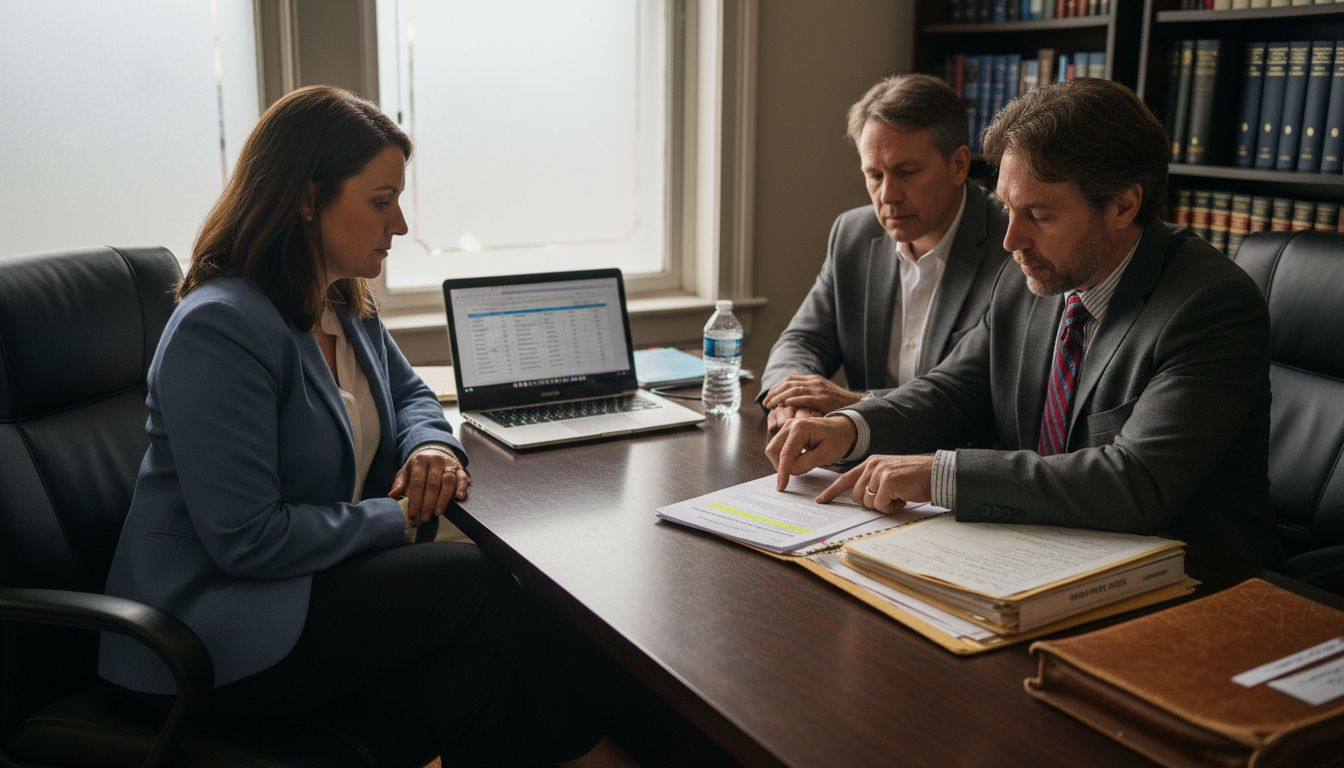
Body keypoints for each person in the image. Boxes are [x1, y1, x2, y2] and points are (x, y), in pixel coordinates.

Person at [98, 85, 620, 765]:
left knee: (481, 684)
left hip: (307, 592)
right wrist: (395, 518)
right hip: (210, 636)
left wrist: (432, 445)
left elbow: (412, 398)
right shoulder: (221, 328)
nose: (399, 225)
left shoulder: (341, 303)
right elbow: (247, 542)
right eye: (381, 201)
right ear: (307, 199)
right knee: (476, 582)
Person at [767, 78, 1279, 566]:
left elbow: (1133, 482)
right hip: (1037, 552)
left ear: (1124, 204)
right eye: (1007, 208)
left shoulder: (1211, 306)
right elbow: (954, 390)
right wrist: (850, 428)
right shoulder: (1035, 273)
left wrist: (937, 474)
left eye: (1038, 214)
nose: (1011, 240)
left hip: (1189, 580)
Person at [760, 74, 1010, 435]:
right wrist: (791, 399)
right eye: (874, 174)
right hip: (861, 459)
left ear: (958, 165)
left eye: (906, 172)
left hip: (950, 465)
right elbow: (803, 340)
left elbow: (979, 398)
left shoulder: (1011, 245)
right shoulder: (853, 235)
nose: (888, 195)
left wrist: (858, 406)